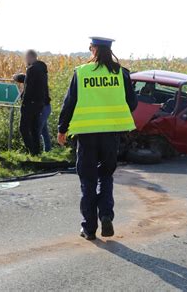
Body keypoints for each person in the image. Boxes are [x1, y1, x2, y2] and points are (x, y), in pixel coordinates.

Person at [57, 37, 138, 240]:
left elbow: (70, 103)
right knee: (106, 176)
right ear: (109, 50)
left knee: (88, 180)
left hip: (86, 135)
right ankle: (106, 215)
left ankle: (89, 228)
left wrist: (62, 129)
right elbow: (132, 103)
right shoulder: (121, 73)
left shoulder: (81, 72)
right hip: (111, 134)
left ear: (93, 49)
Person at [13, 50, 49, 155]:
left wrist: (24, 102)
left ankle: (31, 151)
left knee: (23, 128)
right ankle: (37, 152)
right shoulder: (42, 69)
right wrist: (19, 77)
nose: (25, 60)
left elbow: (29, 87)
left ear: (29, 57)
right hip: (39, 104)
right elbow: (29, 81)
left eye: (26, 58)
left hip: (30, 103)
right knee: (34, 129)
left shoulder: (32, 69)